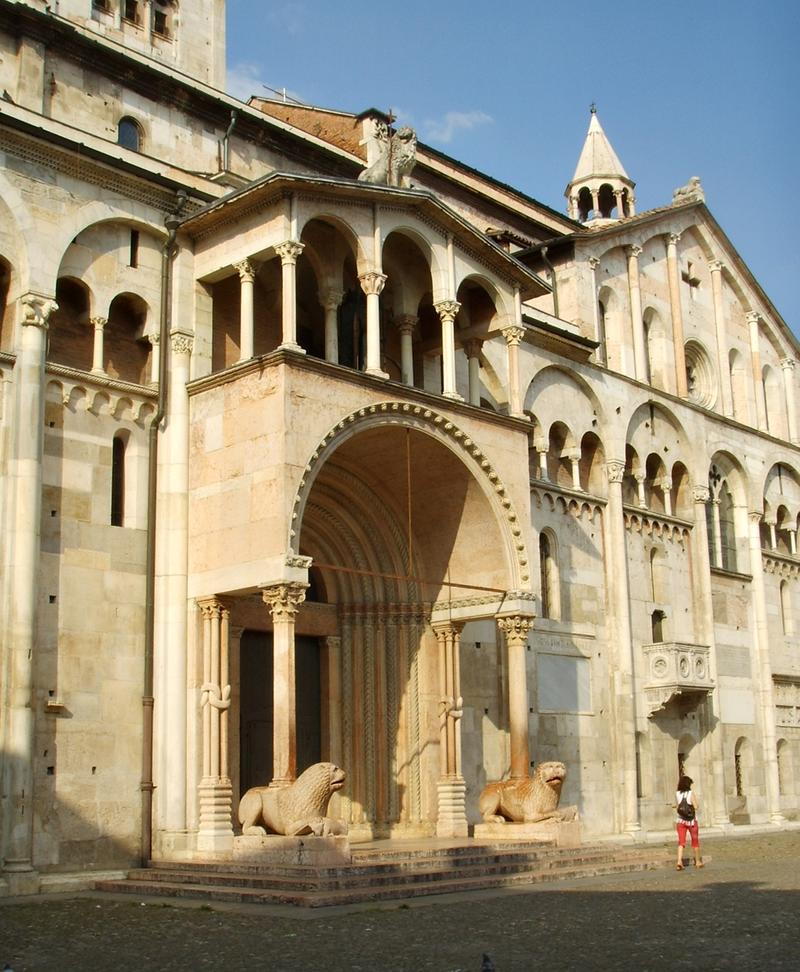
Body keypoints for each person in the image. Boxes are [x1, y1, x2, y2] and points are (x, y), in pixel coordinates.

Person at [675, 774, 703, 870]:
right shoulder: (690, 793)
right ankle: (698, 861)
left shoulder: (677, 793)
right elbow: (695, 806)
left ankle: (679, 862)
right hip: (691, 821)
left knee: (681, 842)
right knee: (695, 841)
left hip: (680, 820)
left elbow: (678, 807)